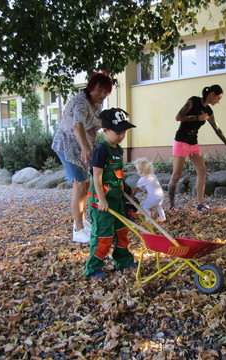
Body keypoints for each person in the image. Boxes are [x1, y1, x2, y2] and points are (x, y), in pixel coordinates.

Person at [52, 71, 113, 243]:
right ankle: (77, 230)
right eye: (99, 90)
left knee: (86, 183)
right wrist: (85, 146)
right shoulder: (81, 102)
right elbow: (77, 125)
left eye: (105, 92)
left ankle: (83, 221)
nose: (102, 95)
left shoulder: (96, 104)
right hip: (68, 147)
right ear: (90, 88)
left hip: (82, 148)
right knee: (80, 185)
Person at [85, 108, 137, 279]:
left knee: (121, 232)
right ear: (106, 131)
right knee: (103, 236)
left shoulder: (119, 149)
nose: (121, 135)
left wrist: (123, 188)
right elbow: (96, 177)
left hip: (115, 198)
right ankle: (93, 269)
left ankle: (123, 261)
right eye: (118, 132)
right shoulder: (102, 149)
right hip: (101, 201)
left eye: (124, 132)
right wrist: (101, 199)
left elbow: (118, 173)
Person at [168, 85, 224, 212]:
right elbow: (178, 117)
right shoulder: (193, 101)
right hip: (181, 141)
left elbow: (217, 129)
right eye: (218, 98)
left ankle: (199, 204)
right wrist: (197, 118)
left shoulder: (209, 111)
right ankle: (171, 205)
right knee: (176, 175)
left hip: (193, 143)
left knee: (202, 171)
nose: (218, 102)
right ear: (212, 94)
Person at [132, 158, 166, 223]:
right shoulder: (153, 175)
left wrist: (133, 194)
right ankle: (162, 217)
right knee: (158, 205)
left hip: (153, 196)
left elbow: (137, 188)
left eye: (138, 170)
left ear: (142, 171)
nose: (137, 172)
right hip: (161, 195)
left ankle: (148, 220)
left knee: (145, 206)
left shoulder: (142, 179)